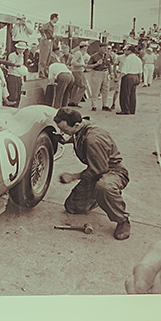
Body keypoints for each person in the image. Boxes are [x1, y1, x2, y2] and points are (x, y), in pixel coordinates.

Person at [53, 105, 130, 240]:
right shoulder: (82, 126)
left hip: (113, 172)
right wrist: (65, 140)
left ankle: (122, 220)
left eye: (65, 130)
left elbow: (99, 170)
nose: (63, 132)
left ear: (76, 125)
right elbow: (77, 136)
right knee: (72, 207)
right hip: (98, 170)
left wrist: (73, 176)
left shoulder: (93, 139)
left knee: (104, 187)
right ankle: (102, 197)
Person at [118, 41, 144, 115]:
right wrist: (140, 79)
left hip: (128, 77)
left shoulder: (128, 59)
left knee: (125, 94)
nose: (125, 52)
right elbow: (140, 70)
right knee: (132, 94)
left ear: (130, 51)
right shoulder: (138, 59)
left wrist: (118, 78)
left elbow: (124, 71)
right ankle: (132, 109)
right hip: (136, 76)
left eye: (126, 50)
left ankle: (125, 110)